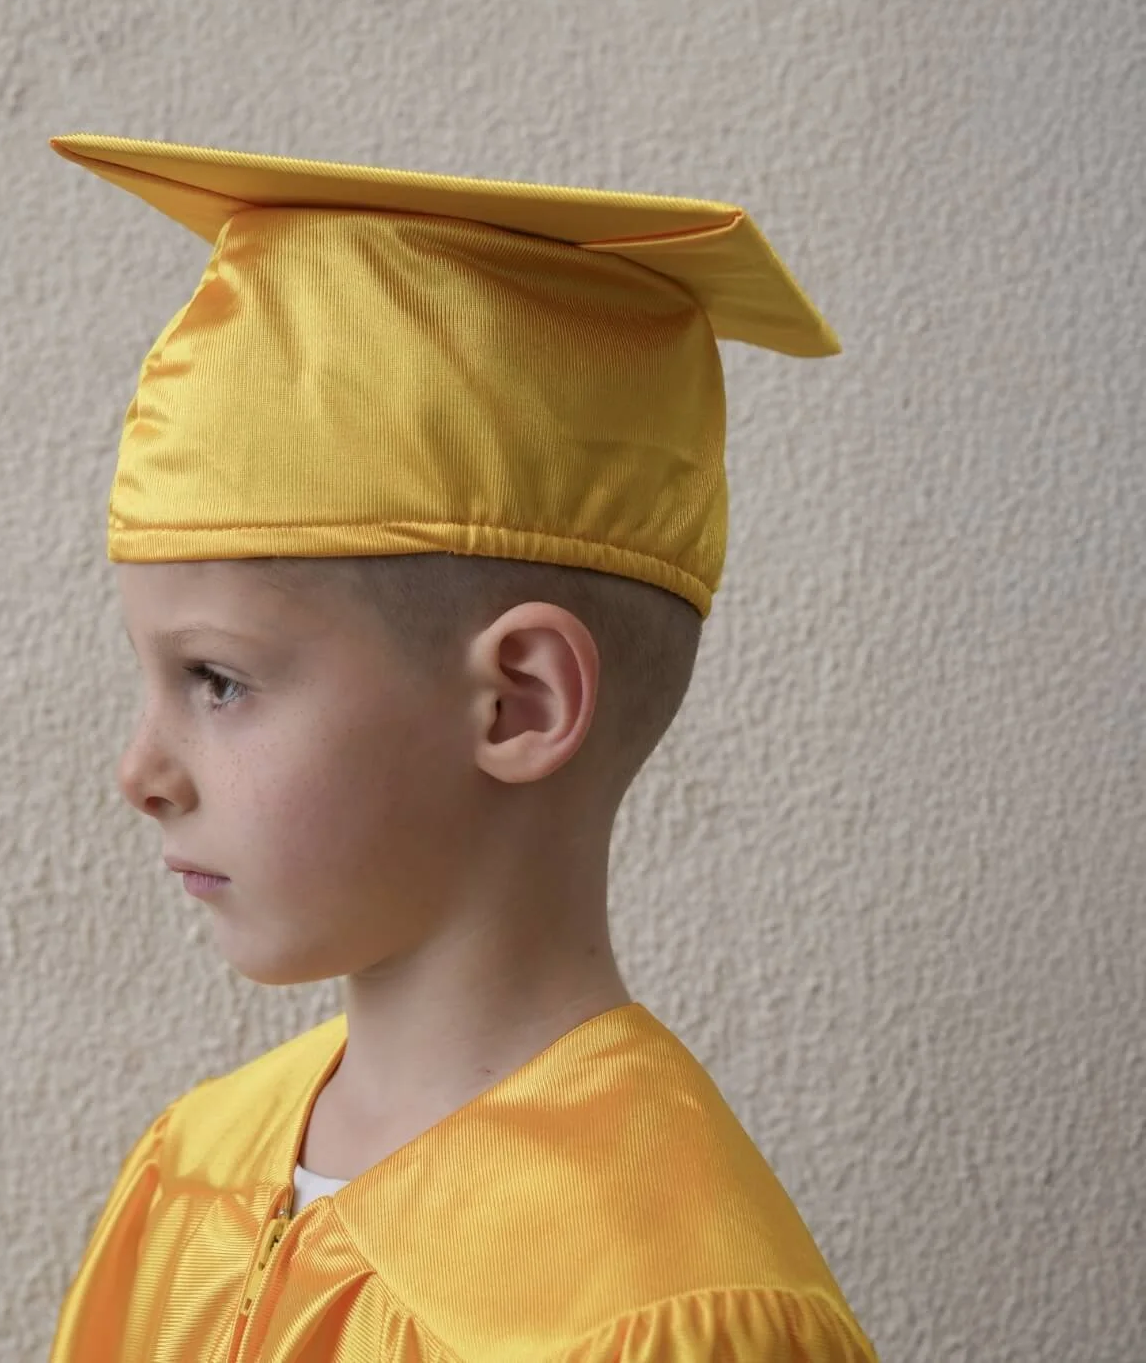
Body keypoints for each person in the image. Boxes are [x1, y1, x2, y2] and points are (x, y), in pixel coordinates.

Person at [45, 131, 880, 1363]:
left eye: (216, 681)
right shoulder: (198, 1165)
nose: (141, 773)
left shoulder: (660, 1308)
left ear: (519, 706)